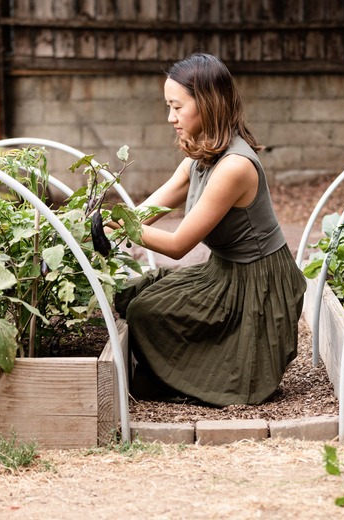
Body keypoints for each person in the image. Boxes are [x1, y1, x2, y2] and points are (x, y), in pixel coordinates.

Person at [113, 53, 307, 407]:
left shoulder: (234, 166)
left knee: (145, 311)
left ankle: (186, 378)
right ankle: (167, 373)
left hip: (257, 286)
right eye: (168, 106)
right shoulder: (200, 158)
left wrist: (118, 228)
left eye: (177, 107)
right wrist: (107, 224)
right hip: (225, 272)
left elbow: (177, 245)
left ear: (207, 104)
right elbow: (147, 211)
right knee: (134, 294)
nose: (170, 118)